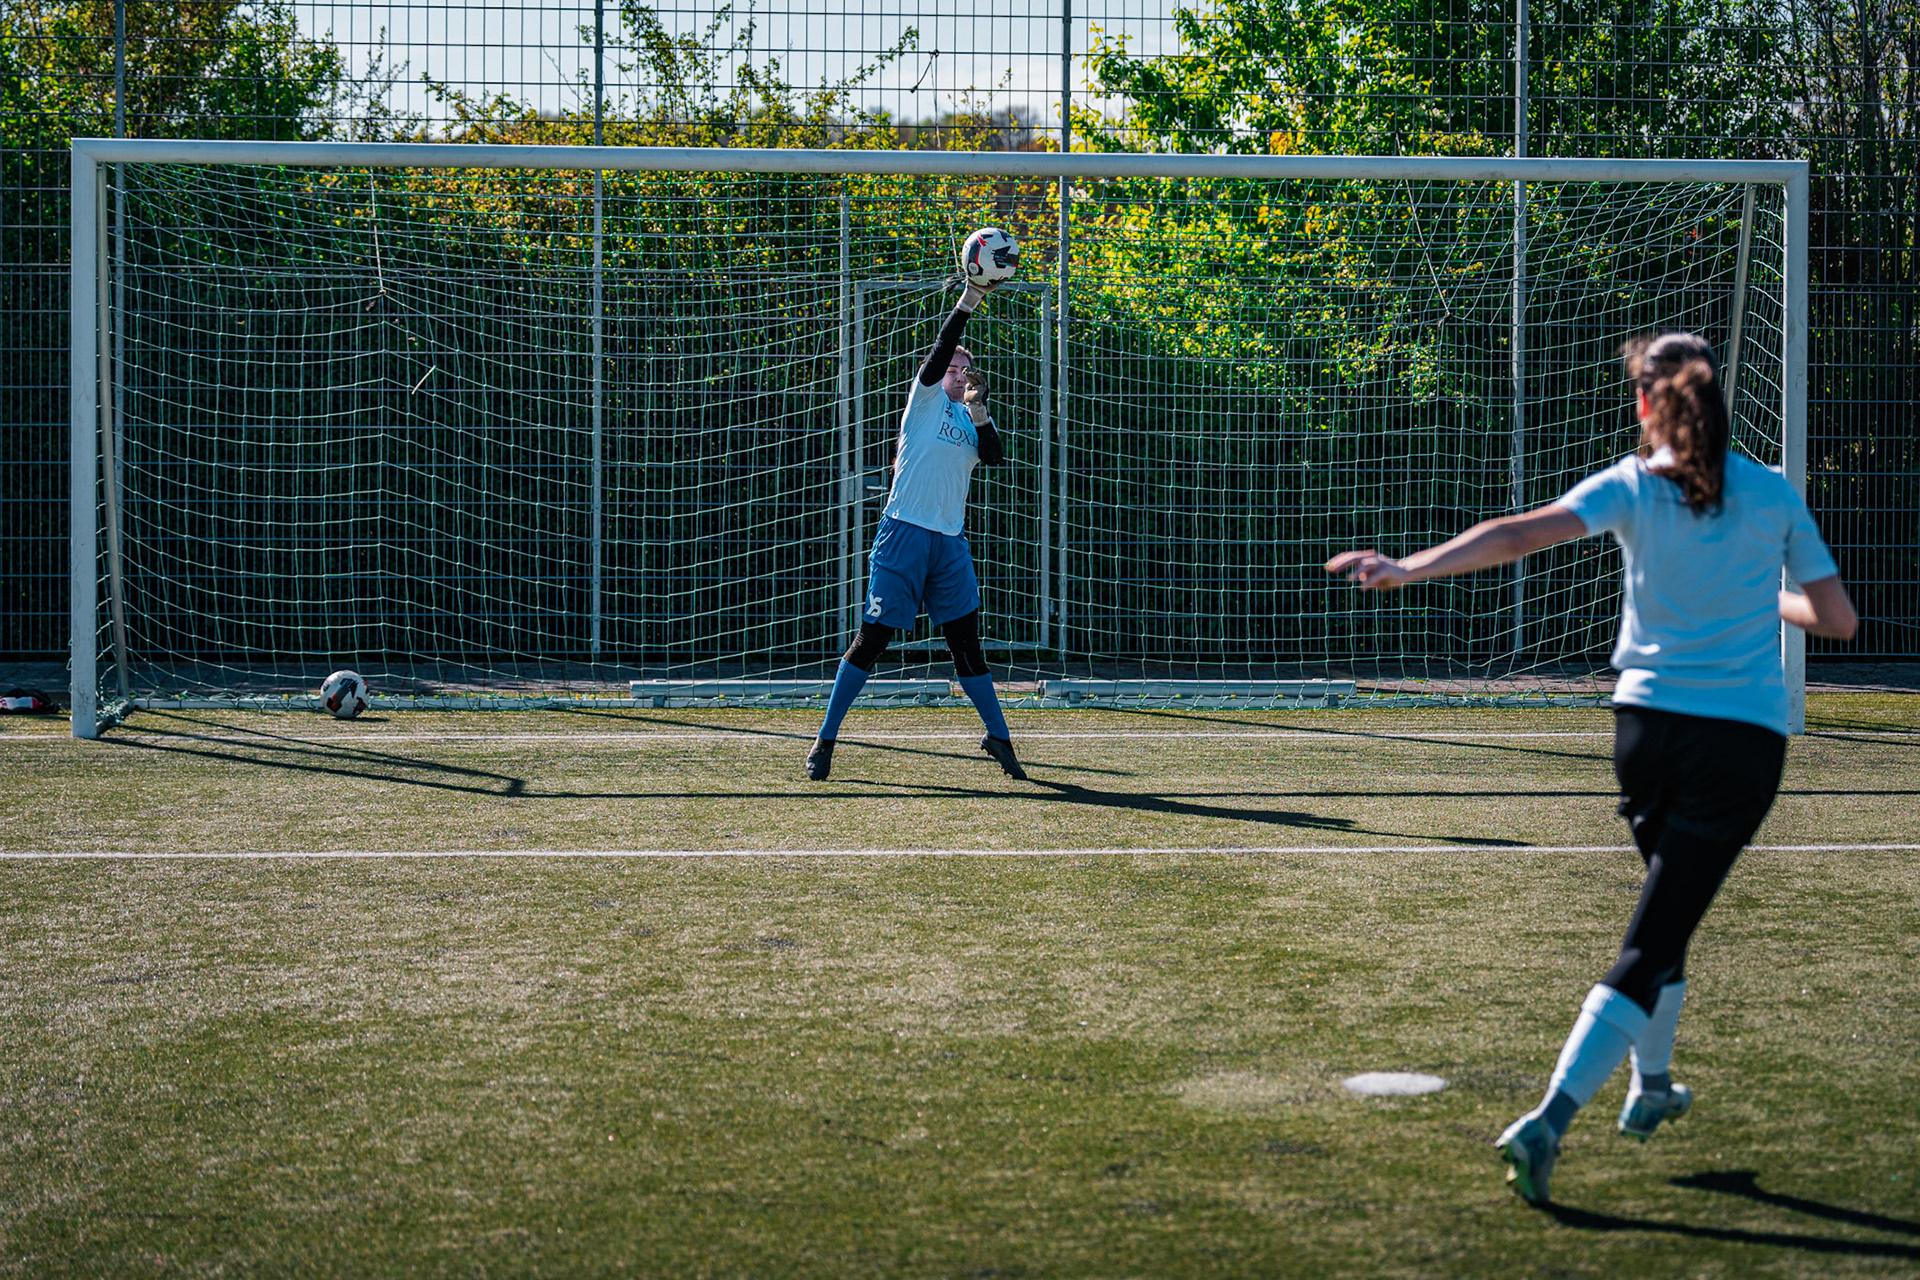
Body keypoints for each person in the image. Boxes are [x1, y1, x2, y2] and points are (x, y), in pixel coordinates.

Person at [1326, 332, 1857, 1205]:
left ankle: (1651, 1087)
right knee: (1654, 933)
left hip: (1642, 734)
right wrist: (1769, 591)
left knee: (1667, 907)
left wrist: (1406, 567)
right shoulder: (1770, 494)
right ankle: (1550, 1119)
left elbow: (1516, 534)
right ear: (1714, 394)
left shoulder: (1632, 483)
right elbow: (1835, 620)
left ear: (1647, 403)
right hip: (1738, 743)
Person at [805, 276, 1027, 783]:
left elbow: (994, 457)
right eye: (952, 367)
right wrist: (968, 301)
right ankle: (825, 740)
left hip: (948, 544)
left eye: (965, 369)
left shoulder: (970, 417)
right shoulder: (923, 401)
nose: (957, 372)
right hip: (903, 532)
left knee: (967, 646)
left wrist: (979, 408)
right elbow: (939, 351)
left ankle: (999, 737)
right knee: (872, 640)